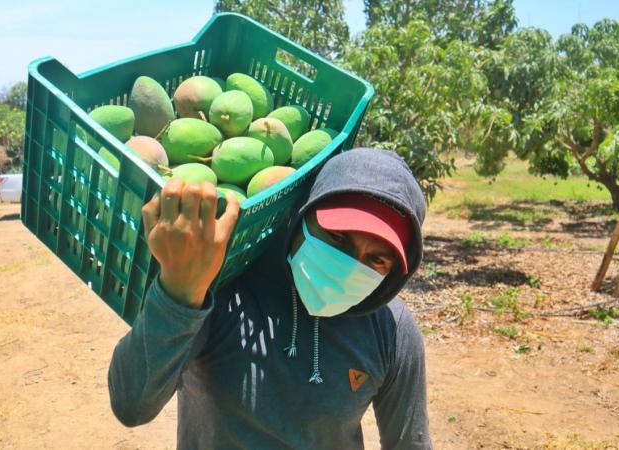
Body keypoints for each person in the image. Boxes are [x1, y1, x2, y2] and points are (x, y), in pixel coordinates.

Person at [108, 147, 432, 449]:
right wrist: (180, 290)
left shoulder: (391, 329)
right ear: (303, 215)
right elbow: (132, 403)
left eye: (377, 259)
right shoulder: (227, 292)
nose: (347, 268)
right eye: (336, 237)